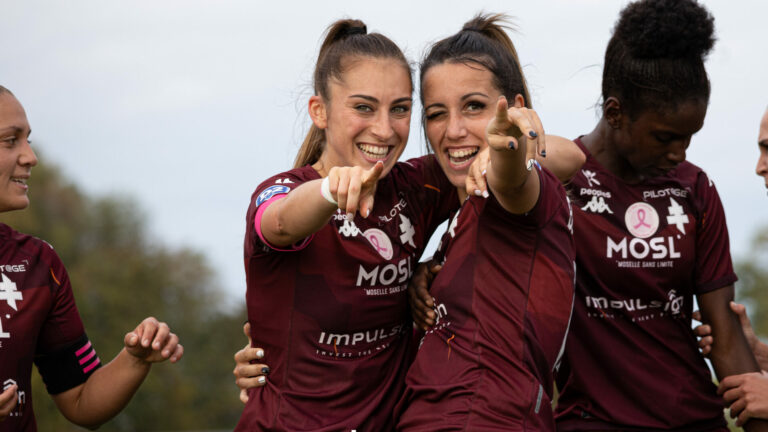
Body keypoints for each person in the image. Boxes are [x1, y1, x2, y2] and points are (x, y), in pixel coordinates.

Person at [551, 0, 768, 430]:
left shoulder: (694, 189)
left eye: (690, 138)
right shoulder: (560, 187)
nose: (679, 153)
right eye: (666, 137)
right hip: (593, 420)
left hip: (695, 418)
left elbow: (723, 332)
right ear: (615, 113)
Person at [235, 19, 459, 432]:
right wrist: (328, 192)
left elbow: (529, 167)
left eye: (401, 109)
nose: (385, 129)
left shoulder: (416, 187)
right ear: (319, 111)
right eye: (363, 107)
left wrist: (435, 266)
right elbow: (279, 222)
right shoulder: (285, 191)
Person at [394, 15, 576, 430]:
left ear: (513, 109)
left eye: (474, 107)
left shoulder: (513, 190)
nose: (453, 130)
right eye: (437, 114)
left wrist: (508, 147)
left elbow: (516, 176)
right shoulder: (463, 213)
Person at [0, 86, 183, 432]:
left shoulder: (39, 265)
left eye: (28, 140)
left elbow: (81, 400)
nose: (30, 156)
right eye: (11, 141)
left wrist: (134, 359)